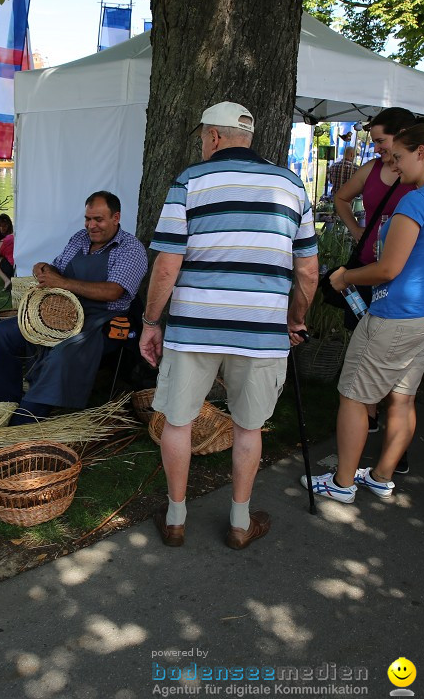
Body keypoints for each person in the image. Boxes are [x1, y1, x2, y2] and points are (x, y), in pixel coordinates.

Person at [140, 102, 318, 550]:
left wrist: (150, 322)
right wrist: (295, 320)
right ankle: (240, 521)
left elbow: (166, 266)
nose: (202, 143)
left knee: (177, 423)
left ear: (214, 137)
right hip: (261, 330)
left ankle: (176, 517)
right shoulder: (292, 184)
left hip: (194, 327)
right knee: (248, 427)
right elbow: (309, 271)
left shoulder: (190, 181)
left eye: (203, 136)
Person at [304, 119, 424, 505]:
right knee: (403, 397)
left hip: (397, 314)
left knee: (354, 396)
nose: (394, 166)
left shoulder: (417, 200)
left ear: (422, 153)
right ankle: (381, 476)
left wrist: (346, 277)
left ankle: (342, 483)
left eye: (398, 158)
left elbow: (389, 268)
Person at [0, 190, 147, 423]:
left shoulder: (130, 249)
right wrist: (44, 269)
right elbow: (58, 268)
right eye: (88, 219)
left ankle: (27, 419)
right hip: (62, 312)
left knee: (65, 351)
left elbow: (114, 291)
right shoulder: (80, 238)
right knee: (6, 332)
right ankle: (1, 404)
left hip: (101, 322)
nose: (92, 226)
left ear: (116, 217)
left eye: (98, 219)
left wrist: (63, 282)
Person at [333, 108, 419, 454]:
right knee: (364, 348)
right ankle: (366, 418)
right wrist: (358, 232)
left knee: (395, 362)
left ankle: (391, 441)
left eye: (382, 141)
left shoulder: (419, 177)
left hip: (401, 278)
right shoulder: (370, 169)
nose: (378, 148)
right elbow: (341, 198)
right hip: (368, 271)